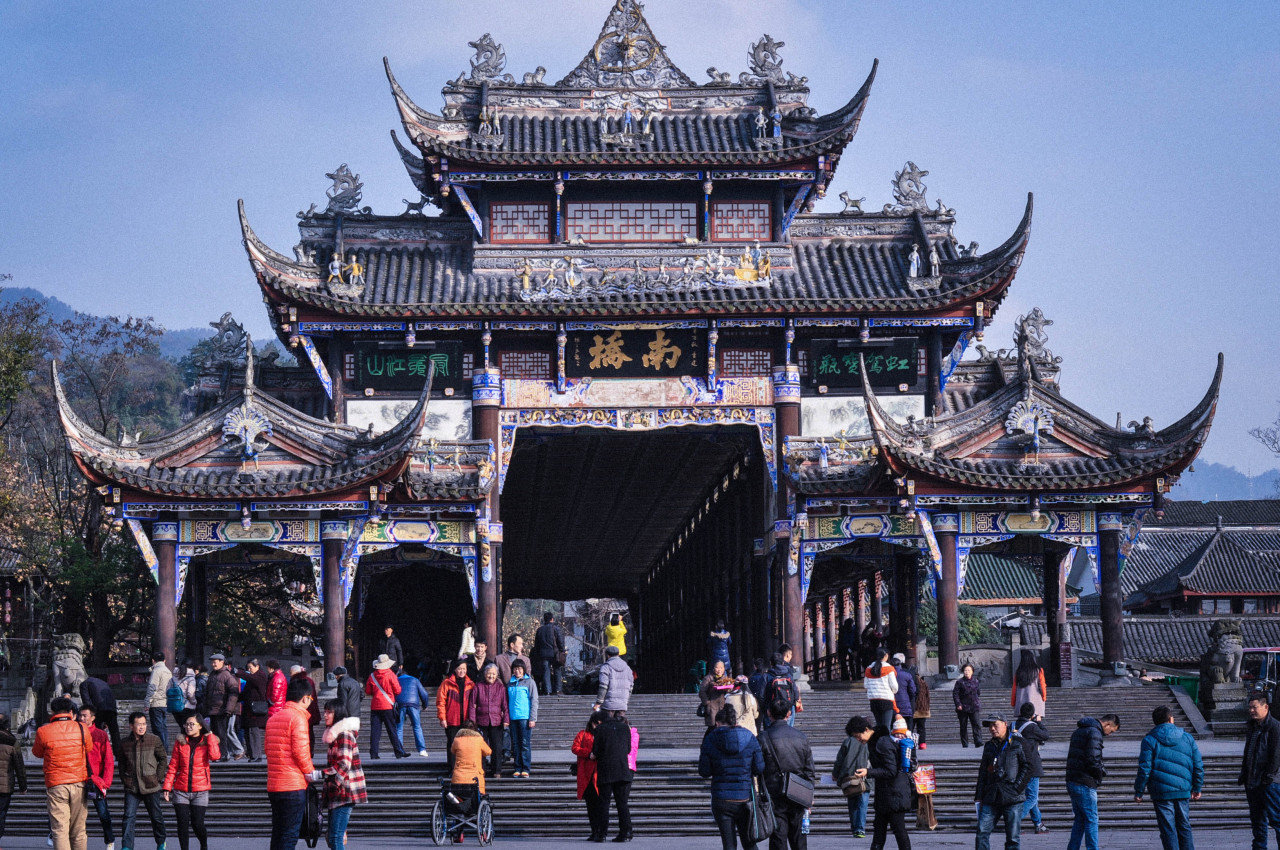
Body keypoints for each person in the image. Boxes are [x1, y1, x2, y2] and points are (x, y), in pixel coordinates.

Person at [1134, 704, 1203, 850]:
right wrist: (1197, 787)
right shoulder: (1187, 737)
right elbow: (1198, 764)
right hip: (1183, 788)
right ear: (1171, 719)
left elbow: (1144, 768)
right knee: (1184, 826)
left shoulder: (1149, 740)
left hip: (1161, 791)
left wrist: (1139, 791)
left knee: (1168, 829)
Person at [266, 677, 323, 850]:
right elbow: (301, 752)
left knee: (278, 832)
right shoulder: (298, 718)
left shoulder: (273, 718)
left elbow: (269, 750)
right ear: (305, 698)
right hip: (293, 784)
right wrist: (310, 772)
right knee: (290, 834)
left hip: (275, 784)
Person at [699, 704, 764, 850]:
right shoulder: (750, 738)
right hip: (744, 797)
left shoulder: (710, 739)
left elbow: (704, 771)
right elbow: (759, 768)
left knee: (728, 844)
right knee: (749, 842)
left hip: (721, 798)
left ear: (717, 723)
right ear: (736, 722)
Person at [33, 696, 92, 850]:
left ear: (52, 711)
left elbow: (37, 753)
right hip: (79, 783)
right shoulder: (81, 728)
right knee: (79, 830)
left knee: (60, 830)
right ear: (71, 711)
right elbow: (89, 748)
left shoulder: (43, 731)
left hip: (56, 784)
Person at [760, 698, 817, 850]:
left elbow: (757, 768)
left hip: (774, 792)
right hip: (798, 792)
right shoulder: (801, 737)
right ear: (789, 714)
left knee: (778, 836)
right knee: (799, 838)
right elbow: (809, 770)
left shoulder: (763, 737)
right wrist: (809, 796)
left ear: (768, 713)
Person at [973, 713, 1031, 850]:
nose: (992, 728)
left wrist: (1017, 788)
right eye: (990, 726)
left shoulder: (1019, 743)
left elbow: (1028, 767)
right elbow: (983, 772)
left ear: (1005, 724)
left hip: (1013, 797)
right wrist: (979, 796)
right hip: (991, 795)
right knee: (981, 833)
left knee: (1013, 838)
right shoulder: (989, 746)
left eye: (995, 725)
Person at [162, 712, 219, 850]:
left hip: (200, 790)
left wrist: (210, 736)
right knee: (182, 824)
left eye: (192, 724)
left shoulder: (207, 742)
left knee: (197, 823)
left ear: (200, 726)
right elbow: (174, 765)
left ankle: (203, 846)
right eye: (186, 724)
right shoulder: (180, 742)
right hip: (181, 790)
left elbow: (215, 756)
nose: (188, 726)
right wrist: (167, 787)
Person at [1065, 713, 1121, 850]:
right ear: (1107, 724)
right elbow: (1093, 759)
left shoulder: (1080, 730)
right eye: (1111, 731)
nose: (1109, 734)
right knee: (1091, 820)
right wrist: (1100, 774)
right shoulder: (1095, 733)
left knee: (1080, 819)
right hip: (1085, 781)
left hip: (1073, 779)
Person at [320, 698, 366, 850]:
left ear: (338, 714)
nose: (325, 715)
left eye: (329, 712)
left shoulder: (344, 734)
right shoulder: (335, 735)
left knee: (335, 837)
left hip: (344, 792)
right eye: (325, 712)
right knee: (333, 837)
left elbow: (344, 765)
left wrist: (320, 775)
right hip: (338, 792)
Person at [119, 711, 168, 850]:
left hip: (150, 785)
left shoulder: (154, 740)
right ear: (131, 726)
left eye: (144, 724)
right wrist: (125, 778)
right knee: (128, 817)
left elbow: (163, 759)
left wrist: (158, 777)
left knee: (156, 816)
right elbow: (121, 763)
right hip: (132, 786)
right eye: (138, 724)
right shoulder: (124, 743)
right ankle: (127, 846)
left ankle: (161, 842)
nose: (142, 727)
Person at [866, 713, 912, 850]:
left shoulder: (887, 745)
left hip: (894, 795)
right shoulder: (903, 745)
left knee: (896, 829)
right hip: (891, 794)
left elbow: (890, 771)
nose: (900, 737)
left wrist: (868, 772)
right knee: (882, 829)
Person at [1240, 692, 1280, 850]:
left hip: (1270, 783)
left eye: (1254, 707)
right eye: (1249, 707)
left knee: (1277, 820)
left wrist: (1269, 777)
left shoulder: (1275, 727)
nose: (1251, 711)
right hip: (1252, 783)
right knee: (1258, 823)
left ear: (1265, 707)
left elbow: (1276, 755)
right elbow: (1248, 753)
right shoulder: (1252, 726)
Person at [593, 709, 635, 843]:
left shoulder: (600, 729)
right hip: (623, 768)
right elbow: (628, 749)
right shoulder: (624, 727)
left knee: (604, 803)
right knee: (622, 803)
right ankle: (626, 832)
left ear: (599, 721)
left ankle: (602, 834)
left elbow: (596, 751)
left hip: (606, 769)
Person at [77, 705, 113, 850]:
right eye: (80, 715)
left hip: (96, 780)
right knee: (76, 814)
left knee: (103, 813)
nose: (82, 718)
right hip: (78, 778)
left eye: (85, 715)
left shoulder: (100, 734)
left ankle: (109, 840)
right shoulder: (75, 733)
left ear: (93, 718)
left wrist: (105, 782)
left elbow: (108, 760)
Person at [1012, 702, 1051, 835]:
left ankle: (1038, 824)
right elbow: (1046, 735)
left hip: (1018, 766)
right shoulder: (1033, 727)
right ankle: (1014, 821)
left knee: (1030, 796)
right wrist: (1039, 722)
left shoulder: (1014, 725)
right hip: (1031, 766)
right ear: (1032, 714)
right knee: (1032, 797)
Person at [833, 715, 874, 840]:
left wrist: (836, 774)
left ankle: (855, 827)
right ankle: (860, 828)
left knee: (852, 804)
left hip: (849, 778)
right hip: (865, 778)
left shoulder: (848, 741)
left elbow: (839, 760)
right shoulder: (870, 741)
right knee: (862, 803)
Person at [467, 663, 508, 779]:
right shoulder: (478, 686)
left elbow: (505, 706)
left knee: (497, 747)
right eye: (489, 673)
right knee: (480, 748)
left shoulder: (501, 688)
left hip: (496, 721)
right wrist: (472, 721)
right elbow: (472, 705)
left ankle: (497, 770)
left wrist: (506, 720)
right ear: (485, 674)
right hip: (481, 721)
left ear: (497, 675)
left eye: (493, 674)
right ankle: (481, 770)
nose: (491, 676)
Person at [575, 711, 609, 843]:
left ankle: (601, 831)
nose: (597, 726)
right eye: (595, 724)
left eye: (599, 724)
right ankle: (594, 831)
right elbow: (575, 748)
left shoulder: (605, 734)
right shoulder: (583, 734)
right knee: (591, 806)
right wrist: (588, 754)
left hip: (600, 775)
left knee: (601, 805)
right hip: (586, 775)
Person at [365, 654, 405, 760]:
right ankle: (398, 752)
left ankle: (374, 753)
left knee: (375, 731)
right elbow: (398, 690)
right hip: (387, 705)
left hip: (375, 706)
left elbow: (368, 691)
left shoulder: (372, 676)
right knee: (392, 730)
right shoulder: (391, 675)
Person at [437, 658, 474, 767]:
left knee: (466, 744)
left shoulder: (471, 684)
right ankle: (452, 768)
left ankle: (464, 767)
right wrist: (442, 718)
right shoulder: (447, 683)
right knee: (452, 744)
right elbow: (440, 701)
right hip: (452, 719)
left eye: (464, 669)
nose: (462, 671)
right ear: (454, 669)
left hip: (466, 720)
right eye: (459, 669)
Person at [506, 659, 539, 777]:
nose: (517, 671)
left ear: (524, 670)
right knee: (515, 744)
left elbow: (534, 700)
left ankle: (526, 768)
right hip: (512, 718)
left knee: (525, 743)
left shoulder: (529, 682)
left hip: (524, 718)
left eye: (520, 669)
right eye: (515, 669)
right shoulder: (510, 683)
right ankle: (517, 767)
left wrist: (532, 718)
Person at [205, 653, 239, 762]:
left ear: (222, 662)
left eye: (215, 662)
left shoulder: (226, 675)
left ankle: (224, 754)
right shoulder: (212, 675)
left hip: (222, 710)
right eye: (212, 662)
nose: (213, 664)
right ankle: (216, 754)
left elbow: (234, 693)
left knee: (222, 733)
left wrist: (229, 709)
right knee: (214, 734)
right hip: (212, 710)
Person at [394, 662, 431, 758]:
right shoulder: (415, 680)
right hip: (414, 704)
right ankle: (422, 750)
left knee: (399, 728)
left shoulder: (396, 680)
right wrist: (425, 705)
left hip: (400, 704)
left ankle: (399, 750)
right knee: (417, 727)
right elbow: (424, 694)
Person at [81, 676, 122, 757]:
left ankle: (98, 753)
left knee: (97, 732)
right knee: (115, 733)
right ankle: (118, 755)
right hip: (111, 708)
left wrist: (91, 716)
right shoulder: (103, 682)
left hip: (98, 709)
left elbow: (86, 702)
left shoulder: (84, 684)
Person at [0, 713, 25, 845]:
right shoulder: (12, 741)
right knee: (1, 813)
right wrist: (23, 786)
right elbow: (19, 766)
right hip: (5, 785)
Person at [450, 720, 492, 795]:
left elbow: (453, 750)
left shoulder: (457, 740)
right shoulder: (478, 739)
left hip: (459, 776)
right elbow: (488, 752)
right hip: (475, 776)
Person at [242, 658, 271, 763]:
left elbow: (252, 679)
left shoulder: (260, 676)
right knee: (249, 732)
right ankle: (252, 754)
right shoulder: (252, 677)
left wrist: (239, 673)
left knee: (254, 732)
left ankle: (257, 755)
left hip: (256, 709)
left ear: (257, 666)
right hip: (249, 709)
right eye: (248, 668)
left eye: (251, 667)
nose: (249, 670)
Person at [864, 649, 899, 732]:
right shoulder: (889, 669)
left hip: (874, 701)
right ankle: (886, 744)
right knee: (886, 726)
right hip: (886, 700)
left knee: (879, 726)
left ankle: (878, 743)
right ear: (886, 656)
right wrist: (892, 692)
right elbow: (894, 687)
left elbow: (866, 685)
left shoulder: (868, 669)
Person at [145, 651, 174, 750]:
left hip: (156, 702)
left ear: (153, 660)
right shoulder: (168, 671)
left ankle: (161, 749)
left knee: (157, 728)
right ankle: (165, 747)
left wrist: (147, 702)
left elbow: (152, 687)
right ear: (164, 660)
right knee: (163, 727)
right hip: (165, 702)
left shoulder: (156, 671)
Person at [533, 612, 567, 696]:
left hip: (543, 655)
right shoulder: (556, 628)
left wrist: (537, 654)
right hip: (555, 654)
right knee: (557, 670)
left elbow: (536, 644)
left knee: (546, 672)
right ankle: (558, 690)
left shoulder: (539, 630)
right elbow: (560, 641)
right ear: (552, 619)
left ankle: (548, 691)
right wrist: (562, 650)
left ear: (544, 620)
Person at [762, 653, 799, 728]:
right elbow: (796, 694)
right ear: (782, 663)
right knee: (788, 730)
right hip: (787, 709)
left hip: (771, 709)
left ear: (771, 663)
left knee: (770, 732)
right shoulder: (789, 676)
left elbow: (761, 694)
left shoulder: (766, 676)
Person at [289, 665, 321, 752]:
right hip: (310, 708)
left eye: (291, 672)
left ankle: (307, 750)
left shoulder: (296, 681)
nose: (290, 674)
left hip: (301, 709)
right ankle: (311, 750)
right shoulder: (309, 680)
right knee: (309, 730)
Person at [595, 645, 634, 714]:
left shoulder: (606, 667)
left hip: (608, 704)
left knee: (608, 723)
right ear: (618, 654)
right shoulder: (627, 668)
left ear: (608, 655)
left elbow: (603, 686)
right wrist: (626, 700)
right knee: (621, 723)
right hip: (622, 704)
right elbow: (631, 686)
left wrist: (599, 702)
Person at [700, 660, 735, 734]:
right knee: (712, 727)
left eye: (721, 668)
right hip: (712, 706)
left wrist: (728, 689)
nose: (719, 670)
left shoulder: (725, 679)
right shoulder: (708, 678)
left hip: (722, 706)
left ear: (724, 669)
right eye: (717, 667)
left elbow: (730, 691)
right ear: (713, 668)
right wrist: (707, 702)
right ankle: (706, 744)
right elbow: (702, 691)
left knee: (721, 726)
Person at [1012, 650, 1047, 719]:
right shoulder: (1038, 670)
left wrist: (1013, 702)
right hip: (1036, 703)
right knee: (1035, 724)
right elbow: (1042, 686)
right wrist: (1044, 697)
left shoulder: (1019, 671)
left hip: (1021, 703)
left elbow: (1014, 689)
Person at [953, 663, 982, 748]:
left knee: (976, 724)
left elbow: (978, 692)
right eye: (965, 670)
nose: (967, 672)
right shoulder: (959, 682)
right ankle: (965, 743)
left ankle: (978, 741)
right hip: (963, 707)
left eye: (969, 670)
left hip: (974, 706)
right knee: (963, 726)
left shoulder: (976, 681)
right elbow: (955, 694)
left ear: (972, 671)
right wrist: (958, 704)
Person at [890, 653, 916, 735]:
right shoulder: (907, 675)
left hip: (891, 705)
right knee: (907, 729)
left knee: (892, 728)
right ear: (900, 664)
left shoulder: (886, 675)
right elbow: (913, 690)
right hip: (905, 705)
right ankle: (908, 745)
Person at [912, 670, 931, 751]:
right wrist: (927, 706)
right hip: (923, 708)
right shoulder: (923, 682)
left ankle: (911, 743)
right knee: (921, 728)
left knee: (910, 728)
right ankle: (922, 743)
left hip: (913, 708)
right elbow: (927, 696)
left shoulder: (911, 681)